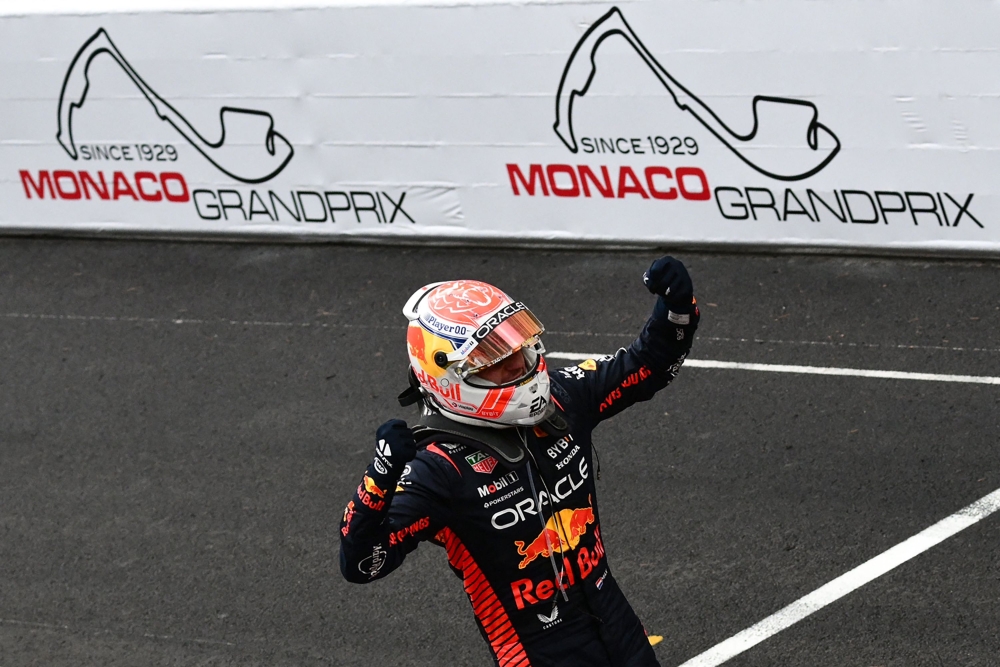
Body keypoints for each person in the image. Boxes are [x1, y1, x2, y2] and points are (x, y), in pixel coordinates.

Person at [340, 256, 700, 667]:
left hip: (616, 623)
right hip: (536, 651)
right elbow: (361, 564)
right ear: (450, 378)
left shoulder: (562, 399)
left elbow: (646, 365)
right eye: (494, 359)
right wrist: (379, 478)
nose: (517, 363)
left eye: (514, 344)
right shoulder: (437, 470)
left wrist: (676, 309)